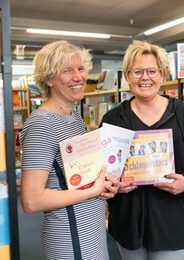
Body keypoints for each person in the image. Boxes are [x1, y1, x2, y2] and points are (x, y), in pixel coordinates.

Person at [101, 40, 184, 260]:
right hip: (128, 225)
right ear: (127, 76)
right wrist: (113, 184)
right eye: (137, 71)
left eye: (152, 71)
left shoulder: (183, 114)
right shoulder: (113, 119)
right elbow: (102, 167)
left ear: (162, 74)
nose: (145, 77)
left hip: (174, 225)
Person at [20, 40, 119, 260]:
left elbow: (77, 178)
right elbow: (31, 200)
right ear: (48, 79)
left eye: (80, 69)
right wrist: (93, 191)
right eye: (67, 71)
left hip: (92, 231)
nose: (78, 77)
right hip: (70, 237)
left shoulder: (73, 116)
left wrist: (104, 186)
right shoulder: (42, 124)